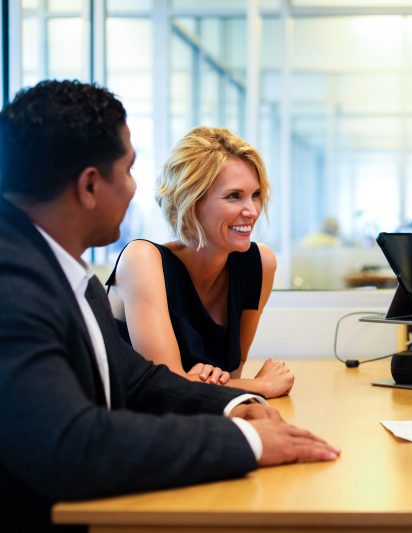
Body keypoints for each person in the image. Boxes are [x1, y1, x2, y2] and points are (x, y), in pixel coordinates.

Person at [0, 80, 339, 532]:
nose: (136, 188)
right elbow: (75, 445)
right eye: (129, 170)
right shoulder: (13, 285)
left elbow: (137, 379)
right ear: (89, 185)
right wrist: (245, 440)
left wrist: (236, 402)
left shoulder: (64, 273)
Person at [106, 127, 294, 398]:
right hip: (126, 425)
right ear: (191, 201)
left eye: (255, 195)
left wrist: (205, 384)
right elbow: (167, 389)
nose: (252, 211)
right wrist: (262, 385)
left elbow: (230, 374)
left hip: (194, 422)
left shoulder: (260, 264)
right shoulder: (142, 261)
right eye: (234, 196)